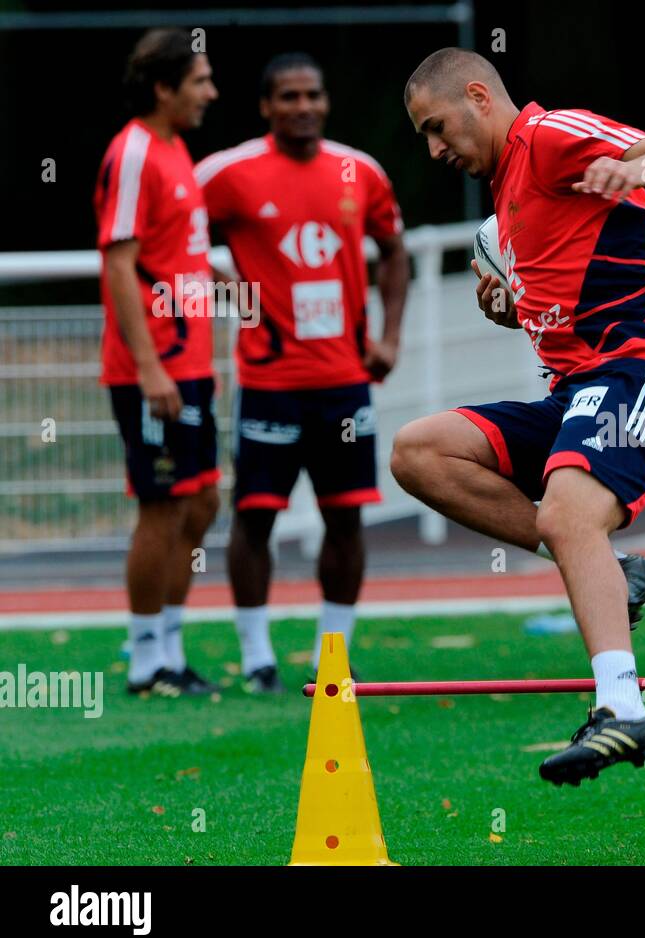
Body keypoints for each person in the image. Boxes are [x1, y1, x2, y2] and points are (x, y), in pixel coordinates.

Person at [394, 48, 645, 785]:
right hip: (578, 388)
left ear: (480, 96)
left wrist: (635, 168)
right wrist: (515, 312)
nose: (435, 148)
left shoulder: (546, 137)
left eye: (437, 127)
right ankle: (615, 572)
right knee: (419, 451)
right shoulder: (505, 201)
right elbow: (568, 295)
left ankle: (623, 708)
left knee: (567, 515)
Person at [195, 53, 410, 692]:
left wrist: (389, 337)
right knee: (255, 517)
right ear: (266, 107)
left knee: (345, 517)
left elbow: (396, 252)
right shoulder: (229, 172)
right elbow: (171, 236)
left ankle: (331, 654)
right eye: (287, 97)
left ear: (325, 100)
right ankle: (257, 656)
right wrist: (235, 292)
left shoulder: (359, 171)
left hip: (345, 380)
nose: (303, 107)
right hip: (268, 381)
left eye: (312, 95)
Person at [96, 29, 221, 696]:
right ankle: (147, 662)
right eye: (200, 80)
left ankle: (170, 645)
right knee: (162, 505)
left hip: (190, 364)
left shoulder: (176, 150)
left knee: (202, 500)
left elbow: (175, 259)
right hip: (151, 370)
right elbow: (119, 263)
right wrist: (150, 367)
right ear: (163, 88)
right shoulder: (134, 152)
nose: (211, 92)